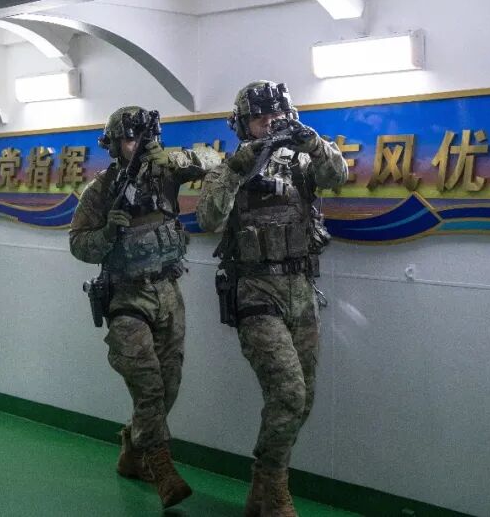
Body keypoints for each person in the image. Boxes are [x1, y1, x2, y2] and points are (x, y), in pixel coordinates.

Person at [197, 81, 347, 517]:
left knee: (305, 397)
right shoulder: (230, 166)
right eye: (260, 119)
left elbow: (337, 176)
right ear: (243, 125)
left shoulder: (301, 160)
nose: (269, 124)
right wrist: (237, 169)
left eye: (276, 116)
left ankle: (262, 488)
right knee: (288, 392)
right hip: (255, 292)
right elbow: (208, 219)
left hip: (300, 288)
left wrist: (312, 142)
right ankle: (276, 489)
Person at [69, 105, 220, 509]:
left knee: (169, 385)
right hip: (126, 298)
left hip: (168, 291)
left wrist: (172, 159)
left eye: (141, 138)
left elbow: (214, 160)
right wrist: (107, 233)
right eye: (128, 139)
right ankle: (162, 468)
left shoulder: (167, 172)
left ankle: (132, 451)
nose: (135, 146)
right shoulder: (102, 190)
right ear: (114, 144)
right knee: (149, 386)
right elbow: (78, 244)